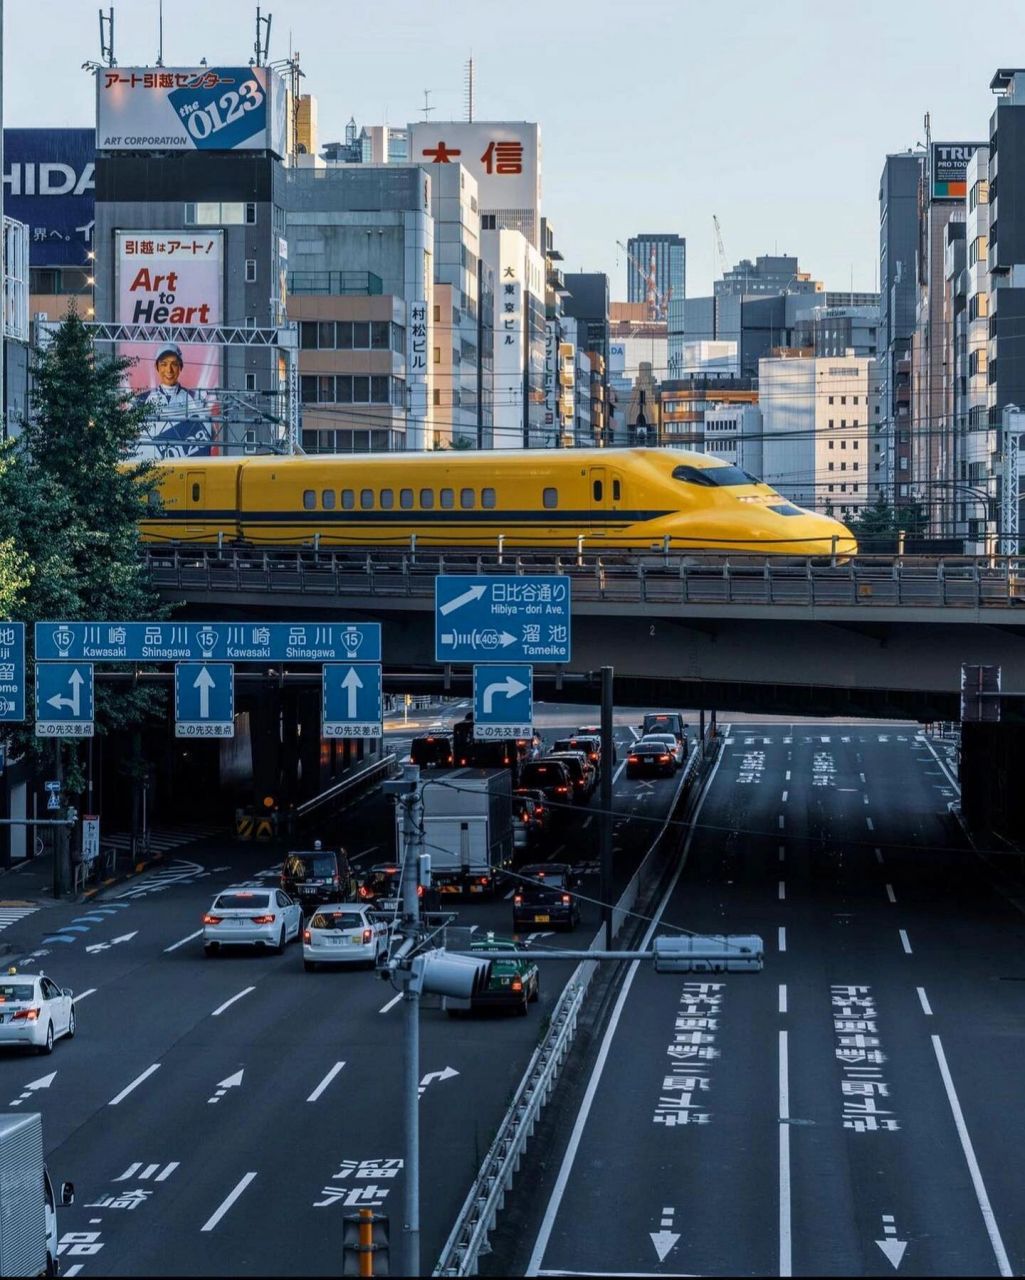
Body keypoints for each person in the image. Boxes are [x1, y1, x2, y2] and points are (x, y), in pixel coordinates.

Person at [134, 343, 214, 459]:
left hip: (185, 468)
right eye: (164, 364)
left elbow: (210, 432)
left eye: (174, 364)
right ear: (157, 368)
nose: (169, 370)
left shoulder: (196, 399)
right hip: (150, 468)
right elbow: (128, 434)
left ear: (180, 367)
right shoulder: (141, 400)